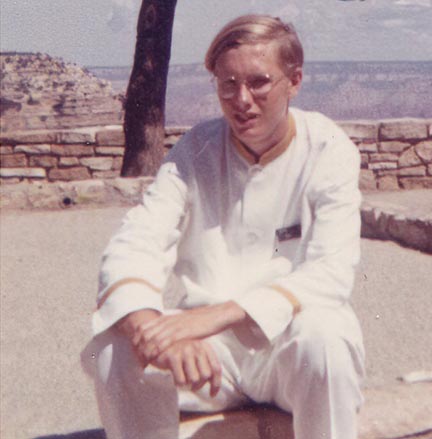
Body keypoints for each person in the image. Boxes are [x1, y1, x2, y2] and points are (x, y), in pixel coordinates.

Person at [80, 15, 364, 439]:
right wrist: (156, 332)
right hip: (208, 365)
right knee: (114, 348)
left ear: (295, 81)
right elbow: (134, 243)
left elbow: (331, 273)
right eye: (227, 84)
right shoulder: (194, 150)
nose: (242, 99)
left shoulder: (328, 150)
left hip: (288, 353)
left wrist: (212, 319)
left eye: (259, 82)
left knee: (327, 337)